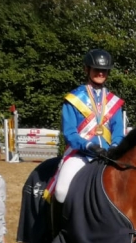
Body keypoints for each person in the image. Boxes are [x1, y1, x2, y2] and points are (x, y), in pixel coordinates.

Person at [52, 48, 125, 203]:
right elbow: (70, 133)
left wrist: (115, 146)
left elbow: (118, 130)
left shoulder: (114, 102)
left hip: (108, 155)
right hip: (81, 154)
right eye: (97, 69)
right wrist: (89, 146)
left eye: (104, 70)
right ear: (87, 69)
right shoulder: (73, 99)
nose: (101, 73)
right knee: (61, 191)